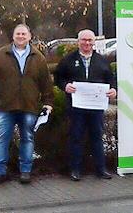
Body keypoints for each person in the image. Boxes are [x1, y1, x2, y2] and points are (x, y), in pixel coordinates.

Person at [0, 24, 54, 185]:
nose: (20, 36)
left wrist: (48, 102)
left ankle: (26, 171)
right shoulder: (1, 55)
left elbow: (46, 83)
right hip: (6, 107)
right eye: (17, 33)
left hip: (29, 107)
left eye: (24, 34)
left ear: (30, 36)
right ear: (13, 36)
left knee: (27, 139)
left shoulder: (38, 57)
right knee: (1, 139)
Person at [54, 29, 117, 181]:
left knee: (97, 137)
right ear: (78, 41)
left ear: (94, 42)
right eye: (84, 40)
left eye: (90, 40)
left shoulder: (102, 60)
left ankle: (100, 169)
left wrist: (114, 89)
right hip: (77, 107)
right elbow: (58, 77)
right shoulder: (68, 59)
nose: (87, 43)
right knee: (76, 137)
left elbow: (111, 78)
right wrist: (65, 86)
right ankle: (75, 170)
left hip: (96, 107)